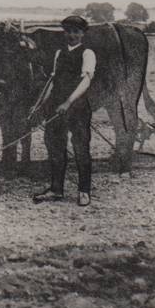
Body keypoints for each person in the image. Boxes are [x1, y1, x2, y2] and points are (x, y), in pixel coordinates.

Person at [31, 15, 96, 206]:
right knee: (55, 148)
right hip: (56, 107)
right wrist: (41, 104)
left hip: (77, 107)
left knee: (81, 149)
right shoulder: (59, 53)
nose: (72, 35)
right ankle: (56, 189)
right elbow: (53, 81)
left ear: (83, 33)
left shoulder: (88, 53)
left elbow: (86, 81)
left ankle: (84, 191)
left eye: (76, 32)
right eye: (68, 31)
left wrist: (68, 102)